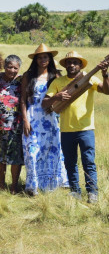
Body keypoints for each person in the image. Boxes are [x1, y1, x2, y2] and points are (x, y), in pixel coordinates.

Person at [42, 51, 109, 203]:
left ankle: (92, 192)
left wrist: (105, 74)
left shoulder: (90, 78)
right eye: (69, 62)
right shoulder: (58, 82)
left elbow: (107, 91)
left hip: (86, 129)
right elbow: (45, 103)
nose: (71, 65)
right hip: (66, 130)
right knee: (70, 162)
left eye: (75, 62)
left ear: (80, 65)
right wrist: (56, 97)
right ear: (65, 65)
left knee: (88, 162)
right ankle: (75, 191)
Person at [20, 44, 68, 195]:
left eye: (45, 57)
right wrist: (25, 121)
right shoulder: (28, 76)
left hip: (51, 119)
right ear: (35, 60)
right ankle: (32, 186)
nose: (42, 60)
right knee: (32, 152)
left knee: (51, 151)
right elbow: (22, 100)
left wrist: (55, 106)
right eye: (39, 57)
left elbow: (63, 97)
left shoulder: (56, 76)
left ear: (50, 59)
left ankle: (50, 186)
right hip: (33, 118)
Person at [0, 55, 25, 194]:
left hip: (16, 125)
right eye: (10, 67)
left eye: (16, 67)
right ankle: (2, 184)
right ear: (5, 66)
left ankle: (14, 185)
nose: (12, 70)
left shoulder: (22, 80)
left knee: (15, 157)